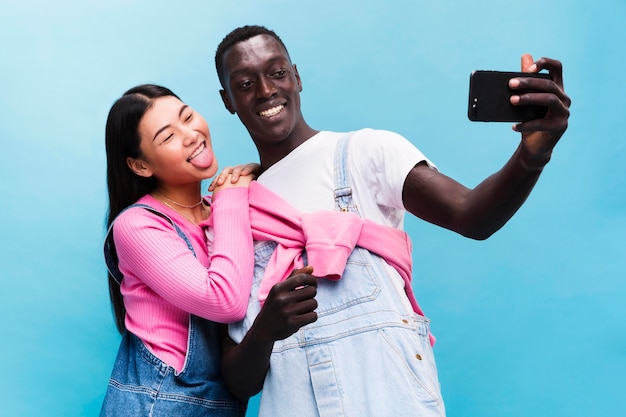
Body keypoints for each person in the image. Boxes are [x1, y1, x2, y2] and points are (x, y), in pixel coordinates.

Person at [211, 25, 571, 417]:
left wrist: (532, 154)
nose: (265, 91)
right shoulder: (233, 211)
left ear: (296, 77)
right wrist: (265, 330)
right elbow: (238, 383)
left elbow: (473, 216)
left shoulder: (364, 152)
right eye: (246, 83)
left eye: (277, 73)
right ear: (228, 100)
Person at [100, 84, 255, 417]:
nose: (191, 135)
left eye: (187, 117)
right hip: (160, 404)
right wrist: (231, 198)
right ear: (141, 166)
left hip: (222, 405)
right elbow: (224, 300)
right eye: (167, 137)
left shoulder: (221, 210)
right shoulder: (138, 226)